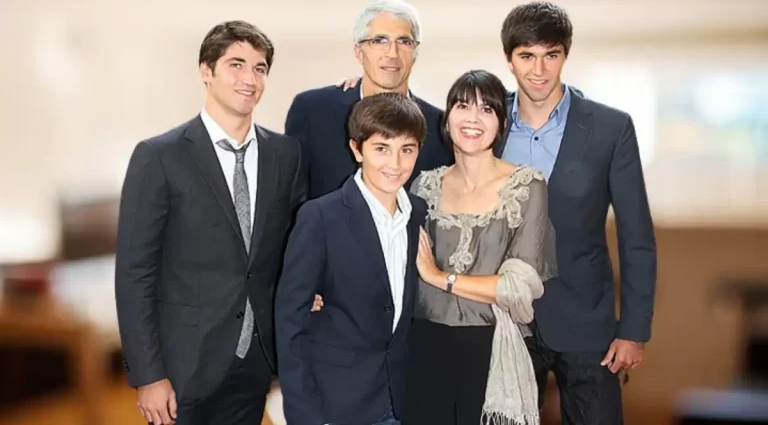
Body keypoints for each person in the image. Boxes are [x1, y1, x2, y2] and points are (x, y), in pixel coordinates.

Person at [114, 21, 305, 425]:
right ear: (206, 71)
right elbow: (134, 275)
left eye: (259, 68)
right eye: (236, 65)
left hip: (257, 364)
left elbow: (294, 246)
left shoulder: (286, 155)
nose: (249, 79)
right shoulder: (159, 156)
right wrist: (148, 376)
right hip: (183, 368)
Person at [493, 2, 657, 424]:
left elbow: (637, 237)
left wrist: (634, 330)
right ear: (509, 59)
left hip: (587, 322)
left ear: (565, 54)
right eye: (526, 56)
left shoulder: (610, 128)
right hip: (504, 320)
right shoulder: (485, 122)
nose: (539, 69)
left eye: (551, 55)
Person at [405, 70, 556, 425]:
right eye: (462, 106)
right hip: (423, 343)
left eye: (486, 109)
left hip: (491, 346)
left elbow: (516, 288)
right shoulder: (423, 187)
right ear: (447, 119)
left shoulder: (527, 185)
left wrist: (439, 277)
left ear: (501, 124)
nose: (473, 118)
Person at [275, 93, 428, 425]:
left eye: (407, 149)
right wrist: (305, 416)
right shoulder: (320, 217)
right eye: (381, 148)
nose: (395, 164)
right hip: (337, 404)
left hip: (400, 399)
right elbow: (290, 324)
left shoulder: (418, 213)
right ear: (357, 149)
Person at [284, 0, 453, 200]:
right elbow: (290, 198)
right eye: (379, 41)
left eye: (404, 42)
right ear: (358, 51)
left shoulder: (442, 127)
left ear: (415, 52)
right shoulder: (313, 111)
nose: (392, 53)